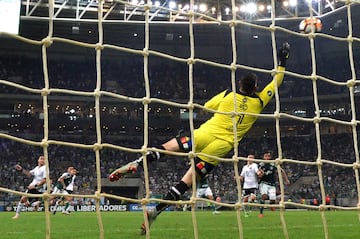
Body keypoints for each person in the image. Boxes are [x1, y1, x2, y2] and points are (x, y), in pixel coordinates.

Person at [109, 42, 291, 234]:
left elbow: (207, 106)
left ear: (239, 85)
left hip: (205, 133)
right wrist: (282, 60)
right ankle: (156, 211)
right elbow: (276, 82)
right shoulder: (261, 101)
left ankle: (137, 163)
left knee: (167, 148)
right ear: (256, 87)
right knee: (186, 181)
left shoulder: (228, 94)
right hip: (222, 146)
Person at [12, 155, 46, 219]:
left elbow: (44, 180)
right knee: (22, 199)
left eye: (43, 159)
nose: (42, 160)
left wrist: (35, 186)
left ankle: (34, 203)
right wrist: (21, 170)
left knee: (33, 200)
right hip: (32, 187)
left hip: (38, 188)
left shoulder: (45, 168)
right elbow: (29, 174)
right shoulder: (36, 168)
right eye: (41, 158)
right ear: (38, 160)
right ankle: (17, 215)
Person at [258, 151, 290, 218]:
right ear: (263, 157)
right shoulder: (260, 165)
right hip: (264, 183)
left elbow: (282, 171)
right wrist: (260, 174)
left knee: (273, 199)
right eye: (266, 156)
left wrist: (286, 180)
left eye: (268, 156)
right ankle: (261, 212)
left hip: (272, 184)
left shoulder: (273, 164)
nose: (267, 158)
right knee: (264, 196)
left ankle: (271, 205)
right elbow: (258, 174)